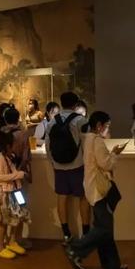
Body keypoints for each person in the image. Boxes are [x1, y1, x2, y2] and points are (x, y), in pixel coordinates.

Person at [65, 111, 128, 269]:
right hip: (100, 191)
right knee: (104, 229)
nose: (108, 129)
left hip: (92, 188)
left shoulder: (88, 139)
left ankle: (111, 265)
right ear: (99, 125)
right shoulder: (97, 141)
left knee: (105, 228)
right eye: (107, 126)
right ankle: (75, 249)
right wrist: (115, 154)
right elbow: (106, 164)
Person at [45, 92, 90, 243]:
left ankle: (66, 234)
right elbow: (87, 144)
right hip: (78, 166)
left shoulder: (52, 122)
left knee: (61, 197)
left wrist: (53, 163)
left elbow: (48, 146)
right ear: (76, 104)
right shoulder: (80, 120)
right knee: (83, 198)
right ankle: (86, 234)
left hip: (59, 167)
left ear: (61, 103)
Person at [0, 122, 30, 259]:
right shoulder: (0, 159)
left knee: (17, 217)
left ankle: (12, 241)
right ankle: (0, 247)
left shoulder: (8, 157)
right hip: (3, 193)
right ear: (8, 146)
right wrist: (19, 175)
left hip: (12, 192)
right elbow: (1, 177)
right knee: (4, 222)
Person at [0, 107, 33, 248]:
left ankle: (4, 242)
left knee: (6, 213)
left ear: (5, 119)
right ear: (18, 119)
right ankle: (16, 239)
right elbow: (26, 157)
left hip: (4, 185)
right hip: (18, 180)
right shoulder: (23, 134)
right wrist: (21, 172)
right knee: (20, 209)